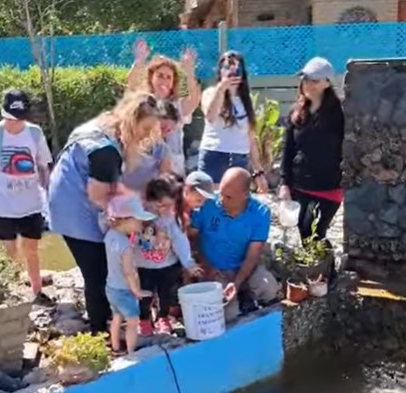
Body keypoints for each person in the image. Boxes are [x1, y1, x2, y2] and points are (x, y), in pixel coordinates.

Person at [48, 91, 162, 334]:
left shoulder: (106, 124)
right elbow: (99, 197)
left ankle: (108, 321)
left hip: (65, 193)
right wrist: (127, 214)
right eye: (145, 130)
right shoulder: (105, 151)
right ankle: (100, 331)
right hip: (74, 206)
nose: (145, 137)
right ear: (132, 121)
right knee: (97, 270)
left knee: (101, 263)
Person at [0, 89, 53, 305]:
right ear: (3, 113)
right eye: (11, 118)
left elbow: (44, 166)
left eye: (19, 118)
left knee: (31, 249)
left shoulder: (34, 133)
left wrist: (49, 194)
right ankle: (11, 294)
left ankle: (37, 291)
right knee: (10, 250)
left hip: (31, 203)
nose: (15, 123)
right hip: (2, 204)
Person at [190, 167, 279, 322]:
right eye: (221, 193)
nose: (221, 200)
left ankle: (244, 294)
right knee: (228, 315)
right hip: (215, 271)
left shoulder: (260, 213)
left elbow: (253, 255)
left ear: (245, 195)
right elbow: (192, 238)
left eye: (228, 197)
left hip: (244, 269)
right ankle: (241, 299)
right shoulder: (208, 204)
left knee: (270, 289)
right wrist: (206, 266)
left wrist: (236, 283)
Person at [279, 57, 344, 240]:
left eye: (314, 80)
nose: (308, 84)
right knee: (304, 231)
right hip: (300, 184)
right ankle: (323, 268)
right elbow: (288, 149)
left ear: (327, 83)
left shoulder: (339, 113)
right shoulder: (296, 112)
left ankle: (329, 268)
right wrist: (285, 183)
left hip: (329, 185)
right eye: (305, 79)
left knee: (314, 231)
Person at [135, 174, 202, 336]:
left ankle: (162, 317)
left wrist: (189, 264)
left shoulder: (171, 221)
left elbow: (181, 243)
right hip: (143, 266)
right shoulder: (138, 219)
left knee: (166, 294)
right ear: (147, 200)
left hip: (168, 265)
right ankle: (144, 319)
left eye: (168, 206)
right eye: (159, 205)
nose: (162, 210)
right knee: (144, 295)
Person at [127, 40, 201, 176]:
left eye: (169, 77)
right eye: (160, 76)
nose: (164, 81)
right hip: (146, 170)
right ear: (151, 78)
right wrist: (139, 60)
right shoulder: (144, 102)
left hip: (174, 173)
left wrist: (189, 73)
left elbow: (194, 100)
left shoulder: (177, 105)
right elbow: (131, 87)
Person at [198, 50, 267, 192]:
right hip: (214, 155)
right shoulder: (211, 93)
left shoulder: (246, 100)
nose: (232, 72)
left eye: (236, 68)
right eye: (226, 67)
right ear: (220, 71)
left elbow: (251, 139)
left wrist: (258, 172)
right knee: (210, 200)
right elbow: (210, 116)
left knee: (236, 203)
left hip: (239, 158)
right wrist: (222, 87)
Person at [104, 194, 156, 354]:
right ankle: (132, 351)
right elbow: (129, 272)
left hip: (111, 287)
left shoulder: (109, 236)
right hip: (125, 291)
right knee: (133, 322)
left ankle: (115, 347)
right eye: (139, 220)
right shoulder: (125, 245)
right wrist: (137, 291)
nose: (142, 223)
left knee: (117, 318)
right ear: (126, 220)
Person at [121, 100, 180, 193]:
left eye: (169, 130)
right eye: (162, 127)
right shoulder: (126, 141)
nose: (163, 133)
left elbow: (164, 179)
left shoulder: (162, 150)